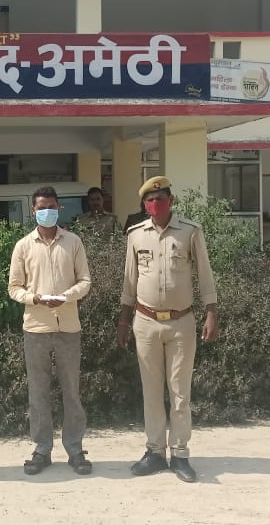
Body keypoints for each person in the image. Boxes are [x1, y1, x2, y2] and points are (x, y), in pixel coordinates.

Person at [117, 176, 218, 483]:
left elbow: (205, 274)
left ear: (171, 201)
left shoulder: (190, 231)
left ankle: (180, 454)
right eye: (150, 200)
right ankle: (155, 452)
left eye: (160, 198)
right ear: (144, 204)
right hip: (145, 321)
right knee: (151, 391)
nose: (155, 204)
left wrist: (211, 313)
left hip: (181, 323)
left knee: (179, 393)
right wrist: (123, 321)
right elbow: (129, 281)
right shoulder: (136, 234)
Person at [8, 185, 93, 476]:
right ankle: (41, 450)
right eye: (42, 207)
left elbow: (85, 281)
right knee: (38, 392)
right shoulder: (23, 246)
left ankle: (75, 449)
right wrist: (35, 298)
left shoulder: (73, 242)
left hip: (68, 326)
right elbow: (14, 288)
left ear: (59, 208)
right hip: (35, 327)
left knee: (72, 390)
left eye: (52, 207)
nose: (47, 211)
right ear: (33, 210)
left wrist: (66, 297)